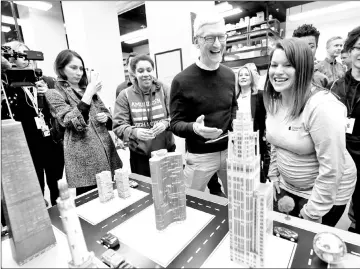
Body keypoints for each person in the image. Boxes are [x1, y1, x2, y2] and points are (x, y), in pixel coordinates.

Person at [265, 38, 356, 227]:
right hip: (288, 184)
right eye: (274, 65)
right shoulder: (275, 100)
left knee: (309, 242)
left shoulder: (322, 106)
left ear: (304, 69)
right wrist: (273, 176)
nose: (278, 71)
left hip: (327, 188)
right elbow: (275, 141)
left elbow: (332, 168)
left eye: (288, 65)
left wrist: (312, 212)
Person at [170, 11, 238, 196]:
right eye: (209, 38)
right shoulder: (181, 80)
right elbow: (175, 124)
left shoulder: (230, 75)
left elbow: (233, 106)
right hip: (200, 156)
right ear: (196, 41)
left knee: (237, 201)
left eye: (221, 37)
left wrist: (235, 122)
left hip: (230, 151)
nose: (217, 44)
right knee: (189, 202)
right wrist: (195, 129)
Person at [45, 49, 122, 196]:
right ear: (61, 69)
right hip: (84, 158)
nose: (79, 72)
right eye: (73, 68)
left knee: (111, 195)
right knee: (91, 200)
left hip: (106, 150)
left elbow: (107, 114)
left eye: (81, 68)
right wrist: (88, 93)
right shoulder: (54, 93)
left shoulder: (86, 89)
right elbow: (68, 121)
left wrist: (106, 118)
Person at [1, 41, 64, 207]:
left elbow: (61, 108)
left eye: (27, 54)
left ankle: (59, 214)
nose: (25, 59)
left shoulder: (47, 80)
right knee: (35, 190)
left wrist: (49, 93)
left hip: (51, 141)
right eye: (20, 55)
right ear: (11, 59)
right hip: (28, 144)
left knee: (56, 185)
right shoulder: (7, 85)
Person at [113, 54, 175, 177]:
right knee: (146, 191)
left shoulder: (165, 89)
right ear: (134, 73)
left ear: (153, 71)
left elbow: (177, 117)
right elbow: (118, 126)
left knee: (170, 188)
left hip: (166, 151)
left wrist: (166, 123)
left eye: (149, 70)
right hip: (140, 155)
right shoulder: (124, 95)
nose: (145, 74)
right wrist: (135, 132)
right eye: (140, 71)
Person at [330, 26, 360, 234]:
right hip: (341, 152)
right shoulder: (337, 86)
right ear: (350, 51)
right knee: (333, 201)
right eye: (359, 47)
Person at [236, 63, 269, 182]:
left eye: (246, 75)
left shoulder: (259, 95)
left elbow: (267, 116)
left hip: (255, 140)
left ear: (251, 78)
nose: (243, 77)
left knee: (257, 171)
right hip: (239, 141)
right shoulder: (234, 98)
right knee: (242, 172)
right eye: (240, 75)